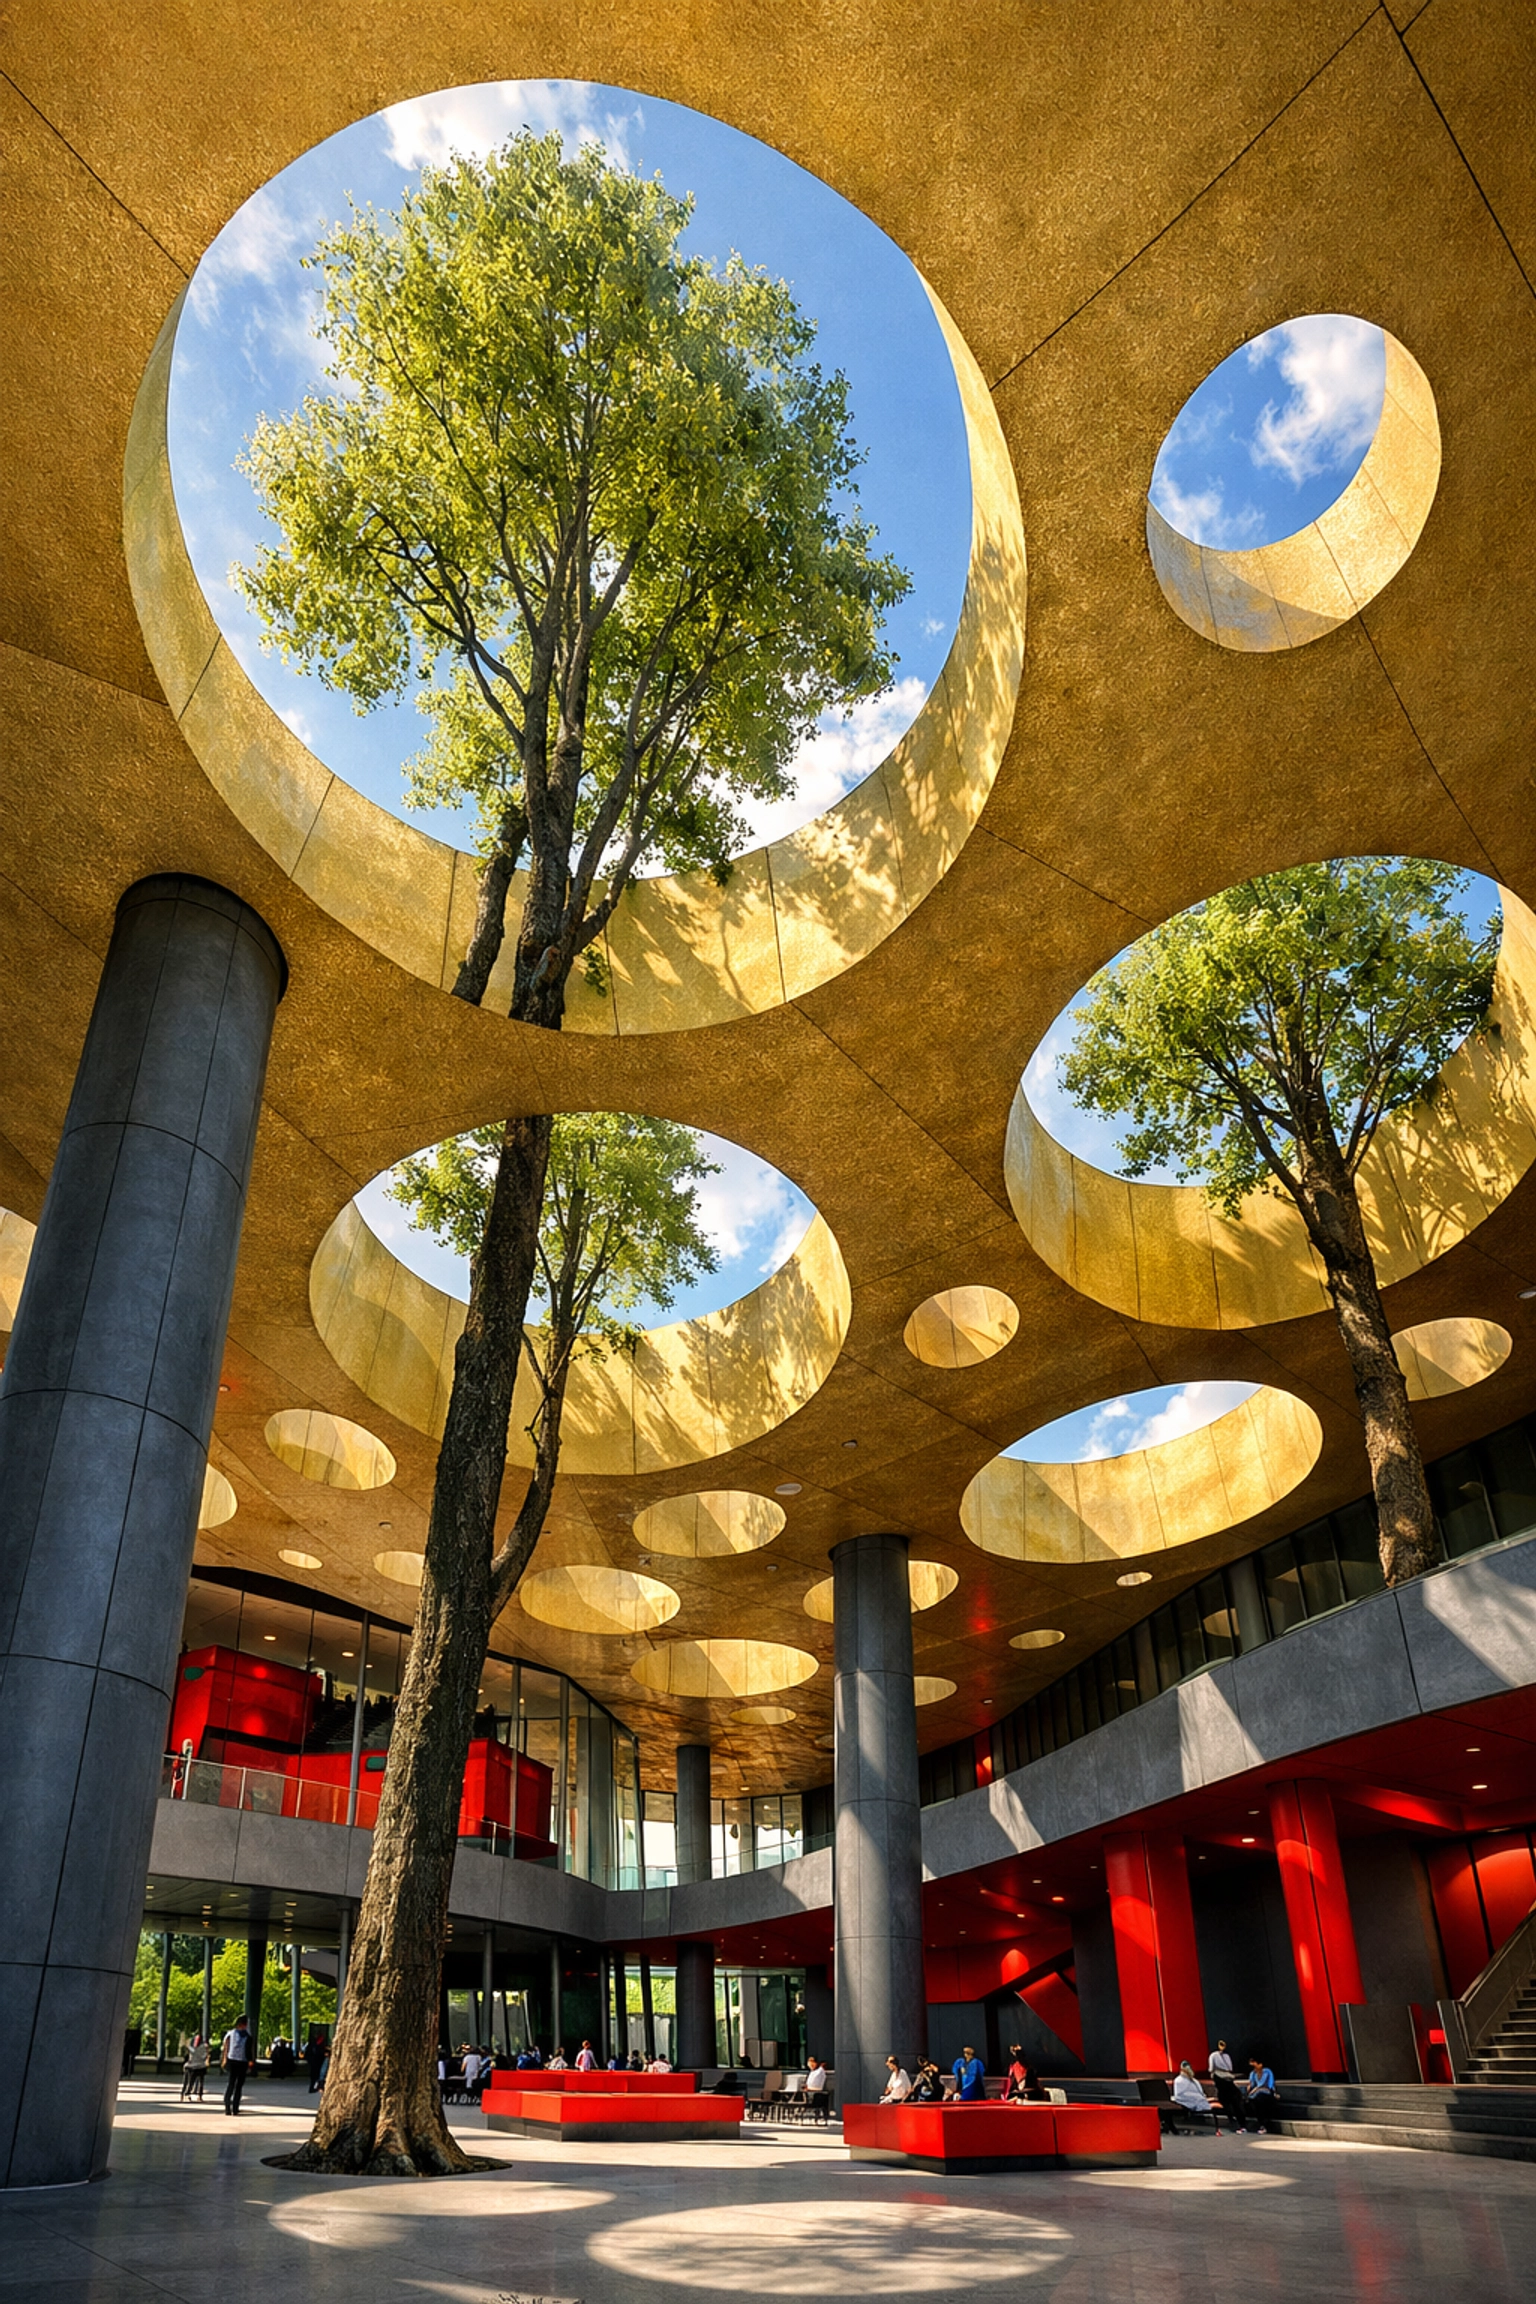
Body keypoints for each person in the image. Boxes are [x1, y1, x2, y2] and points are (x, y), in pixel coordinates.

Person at [1172, 2061, 1223, 2131]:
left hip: (1199, 2099)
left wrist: (1202, 2097)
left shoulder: (1194, 2081)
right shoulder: (1179, 2080)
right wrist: (1198, 2097)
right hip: (1189, 2101)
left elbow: (1200, 2093)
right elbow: (1179, 2095)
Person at [220, 2015, 253, 2116]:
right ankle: (235, 2108)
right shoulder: (247, 2036)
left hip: (232, 2060)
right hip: (242, 2062)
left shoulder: (230, 2034)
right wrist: (251, 2061)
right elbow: (249, 2051)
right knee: (238, 2086)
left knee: (231, 2083)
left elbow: (226, 2047)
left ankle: (227, 2107)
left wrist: (224, 2059)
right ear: (244, 2024)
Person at [1207, 2038, 1242, 2124]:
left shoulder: (1214, 2055)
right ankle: (1234, 2116)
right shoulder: (1224, 2056)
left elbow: (1211, 2068)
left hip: (1220, 2078)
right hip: (1226, 2078)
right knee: (1230, 2097)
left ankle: (1231, 2116)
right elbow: (1230, 2068)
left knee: (1225, 2098)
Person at [1241, 2055, 1279, 2132]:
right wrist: (1249, 2087)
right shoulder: (1253, 2074)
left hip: (1266, 2092)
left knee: (1260, 2099)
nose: (1254, 2068)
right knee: (1252, 2101)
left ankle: (1264, 2124)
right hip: (1255, 2094)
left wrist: (1274, 2092)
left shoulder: (1267, 2072)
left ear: (1260, 2064)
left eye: (1255, 2065)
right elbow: (1252, 2085)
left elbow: (1270, 2085)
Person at [180, 2034, 209, 2102]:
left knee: (190, 2082)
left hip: (192, 2066)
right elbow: (205, 2056)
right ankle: (200, 2096)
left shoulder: (192, 2048)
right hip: (201, 2066)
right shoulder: (204, 2047)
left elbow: (190, 2055)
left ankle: (186, 2094)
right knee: (201, 2082)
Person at [305, 2029, 327, 2094]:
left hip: (314, 2061)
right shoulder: (319, 2043)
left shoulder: (312, 2043)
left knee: (314, 2076)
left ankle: (313, 2087)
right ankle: (314, 2087)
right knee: (317, 2075)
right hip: (317, 2061)